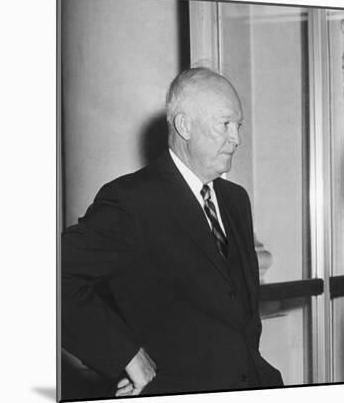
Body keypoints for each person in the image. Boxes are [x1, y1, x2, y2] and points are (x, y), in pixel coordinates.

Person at [61, 68, 283, 397]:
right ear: (184, 125)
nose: (236, 138)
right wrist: (126, 355)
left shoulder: (236, 201)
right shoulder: (133, 201)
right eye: (225, 124)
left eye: (238, 125)